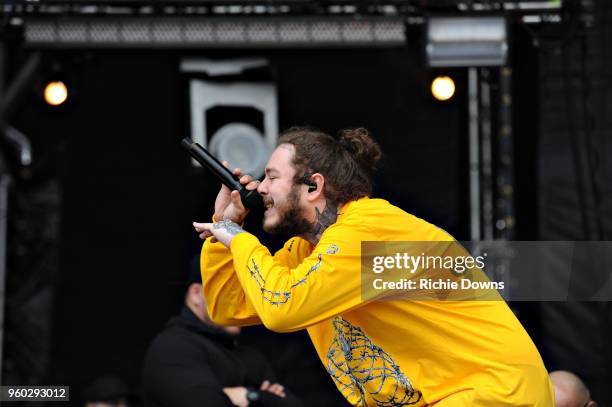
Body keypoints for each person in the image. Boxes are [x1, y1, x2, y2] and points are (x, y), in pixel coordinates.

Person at [193, 127, 555, 406]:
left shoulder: (366, 230)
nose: (259, 188)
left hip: (493, 395)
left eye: (272, 176)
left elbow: (283, 309)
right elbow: (229, 307)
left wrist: (236, 238)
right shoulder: (308, 251)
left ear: (313, 186)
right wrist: (227, 227)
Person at [142, 258, 303, 407]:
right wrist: (264, 398)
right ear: (197, 294)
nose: (242, 301)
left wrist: (249, 396)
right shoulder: (172, 347)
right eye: (230, 291)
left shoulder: (249, 354)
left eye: (245, 292)